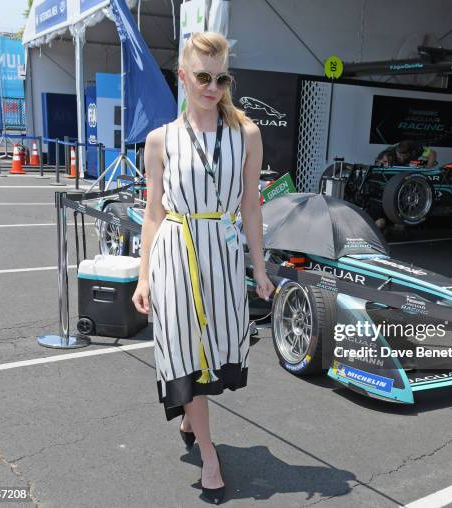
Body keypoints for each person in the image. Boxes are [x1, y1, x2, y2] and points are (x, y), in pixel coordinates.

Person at [132, 31, 275, 504]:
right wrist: (144, 275)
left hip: (223, 249)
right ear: (183, 77)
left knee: (213, 349)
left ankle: (190, 419)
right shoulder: (160, 140)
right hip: (175, 250)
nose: (212, 87)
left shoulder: (246, 135)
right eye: (202, 77)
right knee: (184, 352)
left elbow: (251, 207)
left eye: (221, 78)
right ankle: (210, 456)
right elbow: (154, 214)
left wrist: (260, 267)